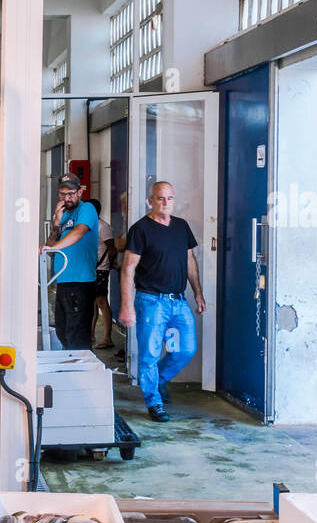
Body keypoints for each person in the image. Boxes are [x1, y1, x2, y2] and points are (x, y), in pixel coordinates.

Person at [119, 181, 206, 422]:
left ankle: (157, 381)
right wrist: (126, 305)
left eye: (169, 198)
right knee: (149, 354)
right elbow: (128, 269)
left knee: (186, 349)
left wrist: (197, 292)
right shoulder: (141, 229)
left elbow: (190, 261)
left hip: (178, 302)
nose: (165, 203)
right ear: (151, 201)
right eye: (160, 198)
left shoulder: (181, 227)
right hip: (151, 301)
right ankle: (154, 403)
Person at [41, 173, 99, 351]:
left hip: (80, 281)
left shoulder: (86, 209)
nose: (67, 198)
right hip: (63, 280)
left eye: (71, 194)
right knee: (62, 330)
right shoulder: (63, 215)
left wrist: (52, 248)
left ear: (80, 192)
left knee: (77, 334)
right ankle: (70, 369)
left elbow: (78, 232)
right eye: (62, 194)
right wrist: (57, 223)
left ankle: (81, 372)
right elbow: (50, 249)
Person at [86, 197, 117, 349]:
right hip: (92, 269)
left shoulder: (102, 226)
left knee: (102, 302)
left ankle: (107, 338)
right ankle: (91, 334)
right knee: (93, 303)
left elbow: (112, 248)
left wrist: (109, 265)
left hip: (100, 269)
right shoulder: (89, 225)